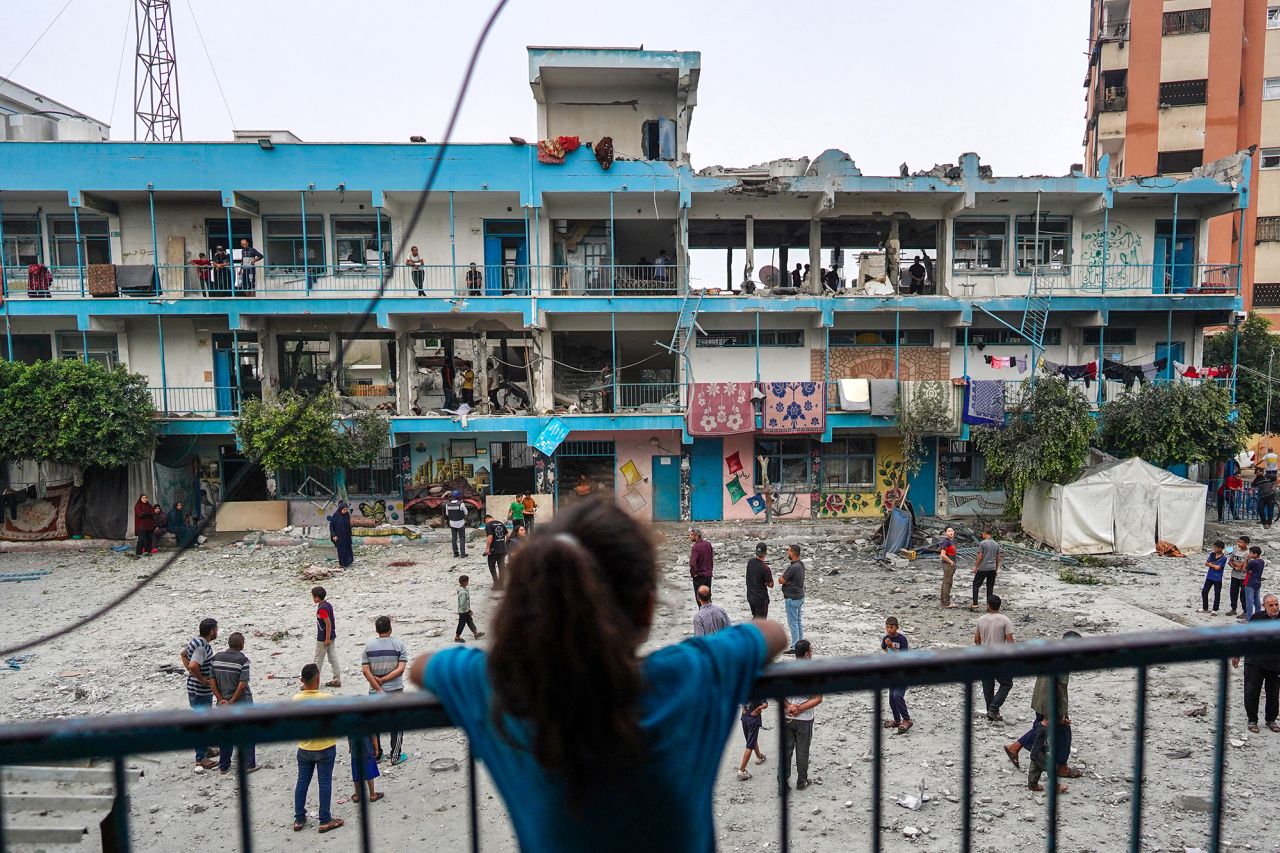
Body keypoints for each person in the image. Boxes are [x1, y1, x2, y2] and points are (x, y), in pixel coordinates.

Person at [409, 500, 787, 851]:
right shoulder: (687, 675)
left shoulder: (501, 691)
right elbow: (772, 634)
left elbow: (422, 666)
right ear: (647, 609)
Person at [1004, 631, 1083, 790]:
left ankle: (1015, 747)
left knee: (1041, 730)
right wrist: (1060, 714)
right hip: (1049, 704)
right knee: (1055, 734)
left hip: (1040, 699)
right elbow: (1059, 690)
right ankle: (1056, 771)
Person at [293, 663, 344, 834]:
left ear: (302, 680)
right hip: (325, 745)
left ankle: (299, 818)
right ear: (318, 679)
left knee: (302, 782)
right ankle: (324, 819)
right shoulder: (327, 698)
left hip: (305, 746)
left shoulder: (296, 699)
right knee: (325, 782)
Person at [361, 615, 409, 764]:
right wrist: (385, 679)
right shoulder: (399, 645)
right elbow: (400, 669)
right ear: (390, 628)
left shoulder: (368, 647)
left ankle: (377, 754)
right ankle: (395, 756)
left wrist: (377, 684)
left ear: (376, 630)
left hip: (375, 691)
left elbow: (365, 671)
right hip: (395, 689)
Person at [1231, 593, 1280, 734]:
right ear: (1264, 606)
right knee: (1252, 692)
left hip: (1275, 664)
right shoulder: (1257, 618)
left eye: (1276, 604)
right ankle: (1252, 720)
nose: (1275, 607)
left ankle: (1271, 720)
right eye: (1271, 605)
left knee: (1273, 694)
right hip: (1255, 662)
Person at [211, 632, 257, 774]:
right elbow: (242, 685)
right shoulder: (243, 661)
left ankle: (224, 765)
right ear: (241, 644)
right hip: (241, 703)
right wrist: (232, 702)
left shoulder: (216, 658)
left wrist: (220, 699)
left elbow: (212, 681)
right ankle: (249, 764)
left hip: (223, 703)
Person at [779, 639, 822, 792]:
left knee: (786, 751)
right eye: (811, 650)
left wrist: (789, 707)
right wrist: (800, 708)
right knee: (802, 751)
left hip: (787, 716)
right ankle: (801, 781)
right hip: (805, 719)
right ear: (806, 654)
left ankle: (782, 784)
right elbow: (818, 698)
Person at [181, 617, 219, 769]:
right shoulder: (202, 647)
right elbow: (193, 665)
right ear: (211, 631)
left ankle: (206, 750)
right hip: (200, 691)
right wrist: (202, 679)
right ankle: (200, 758)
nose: (217, 632)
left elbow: (183, 655)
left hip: (193, 688)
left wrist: (191, 672)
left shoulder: (195, 641)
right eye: (216, 629)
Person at [974, 595, 1015, 721]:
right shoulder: (1005, 620)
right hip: (1000, 656)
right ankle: (994, 709)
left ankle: (991, 711)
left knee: (988, 686)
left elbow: (976, 640)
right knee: (1006, 684)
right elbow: (1010, 641)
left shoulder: (981, 620)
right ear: (999, 605)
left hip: (986, 656)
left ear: (988, 605)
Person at [881, 617, 912, 734]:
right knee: (891, 699)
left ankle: (907, 719)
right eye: (887, 627)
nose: (889, 629)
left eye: (892, 627)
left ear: (897, 628)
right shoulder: (885, 638)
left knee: (898, 695)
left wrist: (892, 648)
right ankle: (897, 720)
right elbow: (884, 649)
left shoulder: (902, 639)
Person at [779, 545, 806, 653]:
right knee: (798, 621)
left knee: (793, 623)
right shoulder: (801, 564)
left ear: (793, 554)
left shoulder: (793, 567)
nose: (787, 553)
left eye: (789, 551)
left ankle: (795, 646)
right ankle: (801, 643)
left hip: (792, 598)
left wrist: (784, 580)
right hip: (799, 597)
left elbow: (781, 580)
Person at [313, 586, 340, 688]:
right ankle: (337, 678)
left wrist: (326, 638)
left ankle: (313, 683)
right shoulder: (328, 605)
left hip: (324, 638)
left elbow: (328, 623)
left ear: (317, 598)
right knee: (332, 657)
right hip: (331, 635)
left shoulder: (322, 609)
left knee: (318, 660)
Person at [736, 695, 768, 780]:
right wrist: (758, 709)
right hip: (753, 720)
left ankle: (759, 756)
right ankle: (742, 770)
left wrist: (743, 708)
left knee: (751, 740)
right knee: (749, 745)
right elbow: (765, 704)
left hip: (745, 719)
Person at [971, 528, 1001, 610]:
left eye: (982, 534)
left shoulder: (982, 543)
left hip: (983, 568)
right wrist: (996, 568)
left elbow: (980, 556)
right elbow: (998, 557)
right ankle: (989, 606)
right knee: (990, 587)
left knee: (976, 585)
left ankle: (975, 603)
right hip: (992, 568)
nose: (982, 535)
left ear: (985, 533)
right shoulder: (996, 544)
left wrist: (976, 567)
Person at [349, 734, 383, 804]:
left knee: (356, 773)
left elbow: (349, 737)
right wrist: (376, 749)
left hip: (355, 752)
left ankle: (357, 795)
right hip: (367, 751)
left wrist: (350, 747)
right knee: (369, 772)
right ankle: (373, 795)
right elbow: (374, 736)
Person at [745, 542, 774, 618]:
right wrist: (765, 583)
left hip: (750, 596)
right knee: (761, 622)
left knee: (755, 617)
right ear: (765, 553)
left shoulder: (750, 562)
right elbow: (771, 585)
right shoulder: (765, 568)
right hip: (761, 598)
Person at [454, 574, 485, 643]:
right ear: (465, 582)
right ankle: (457, 637)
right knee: (462, 623)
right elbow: (462, 604)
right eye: (467, 581)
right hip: (463, 611)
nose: (468, 582)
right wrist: (468, 611)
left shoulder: (462, 589)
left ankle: (476, 633)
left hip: (464, 610)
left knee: (470, 621)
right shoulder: (463, 592)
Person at [1201, 540, 1227, 614]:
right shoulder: (1212, 554)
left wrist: (1211, 564)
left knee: (1217, 593)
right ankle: (1205, 608)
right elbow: (1206, 563)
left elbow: (1218, 568)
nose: (1214, 549)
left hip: (1217, 578)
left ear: (1220, 548)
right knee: (1204, 592)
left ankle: (1215, 610)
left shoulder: (1223, 558)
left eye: (1215, 547)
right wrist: (1214, 565)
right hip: (1209, 576)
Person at [483, 513, 509, 589]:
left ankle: (496, 584)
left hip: (493, 549)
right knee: (501, 566)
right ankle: (502, 584)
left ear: (486, 520)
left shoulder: (488, 525)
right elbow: (507, 535)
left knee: (492, 566)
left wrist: (487, 548)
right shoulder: (501, 523)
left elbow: (490, 536)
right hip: (502, 549)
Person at [689, 528, 714, 603]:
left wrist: (693, 574)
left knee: (700, 599)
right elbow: (711, 558)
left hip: (699, 576)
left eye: (691, 535)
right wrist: (710, 570)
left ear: (696, 536)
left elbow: (693, 563)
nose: (689, 537)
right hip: (708, 575)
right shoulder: (708, 544)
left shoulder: (695, 547)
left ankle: (703, 613)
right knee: (707, 597)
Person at [1228, 535, 1251, 616]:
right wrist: (1234, 565)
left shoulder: (1248, 553)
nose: (1238, 543)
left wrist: (1237, 565)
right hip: (1234, 575)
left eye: (1241, 542)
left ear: (1246, 543)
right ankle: (1233, 609)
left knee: (1243, 594)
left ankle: (1245, 611)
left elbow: (1242, 566)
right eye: (1238, 541)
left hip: (1243, 577)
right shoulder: (1235, 550)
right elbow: (1230, 561)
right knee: (1233, 593)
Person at [329, 501, 354, 568]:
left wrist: (350, 533)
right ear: (340, 509)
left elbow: (348, 524)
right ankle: (342, 564)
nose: (345, 511)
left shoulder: (347, 515)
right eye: (344, 510)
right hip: (339, 537)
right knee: (341, 550)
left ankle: (348, 562)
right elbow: (331, 526)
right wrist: (334, 535)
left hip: (346, 536)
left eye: (346, 509)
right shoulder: (335, 516)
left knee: (348, 548)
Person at [1243, 545, 1265, 620]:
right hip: (1257, 582)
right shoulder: (1262, 561)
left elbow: (1244, 570)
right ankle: (1258, 618)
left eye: (1250, 553)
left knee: (1249, 602)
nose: (1249, 554)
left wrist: (1246, 560)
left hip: (1250, 583)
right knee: (1257, 601)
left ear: (1255, 554)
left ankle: (1248, 619)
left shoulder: (1253, 562)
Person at [445, 491, 468, 558]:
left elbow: (447, 514)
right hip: (460, 523)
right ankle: (463, 554)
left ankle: (455, 554)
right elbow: (466, 513)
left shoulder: (447, 504)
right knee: (462, 538)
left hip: (452, 523)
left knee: (454, 538)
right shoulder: (461, 504)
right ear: (458, 497)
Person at [939, 526, 958, 609]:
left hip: (950, 564)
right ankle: (947, 602)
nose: (951, 532)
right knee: (948, 583)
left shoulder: (951, 541)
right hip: (948, 565)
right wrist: (951, 562)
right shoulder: (946, 542)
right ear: (945, 533)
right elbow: (942, 555)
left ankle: (943, 600)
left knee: (945, 582)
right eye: (949, 531)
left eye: (952, 530)